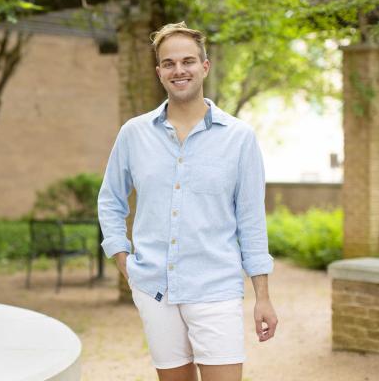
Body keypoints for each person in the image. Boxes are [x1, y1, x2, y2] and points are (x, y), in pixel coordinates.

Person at [98, 21, 278, 381]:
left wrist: (263, 296)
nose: (179, 70)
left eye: (188, 61)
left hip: (215, 288)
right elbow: (110, 200)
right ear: (159, 72)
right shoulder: (134, 134)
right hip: (155, 289)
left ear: (204, 67)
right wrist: (123, 261)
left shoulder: (239, 138)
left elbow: (251, 221)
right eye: (169, 63)